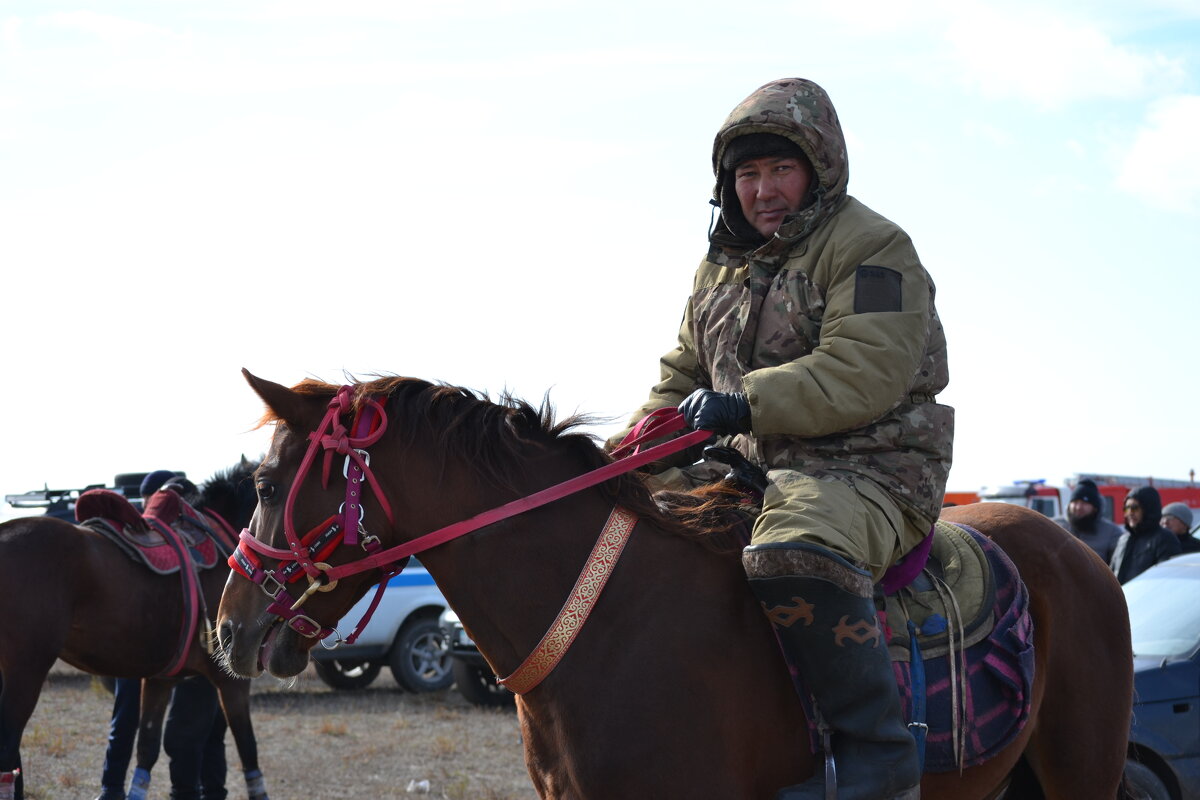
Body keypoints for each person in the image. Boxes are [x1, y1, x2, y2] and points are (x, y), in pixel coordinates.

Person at [610, 77, 951, 800]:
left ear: (819, 167)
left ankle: (878, 756)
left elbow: (865, 371)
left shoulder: (877, 247)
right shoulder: (718, 267)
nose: (762, 189)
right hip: (747, 465)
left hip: (868, 470)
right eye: (746, 174)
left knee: (792, 544)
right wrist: (621, 459)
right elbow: (682, 378)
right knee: (618, 518)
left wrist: (741, 405)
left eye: (780, 170)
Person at [95, 471, 228, 800]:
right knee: (196, 729)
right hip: (176, 642)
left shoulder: (192, 544)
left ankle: (123, 788)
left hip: (177, 642)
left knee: (187, 729)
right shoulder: (173, 546)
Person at [1110, 486, 1182, 584]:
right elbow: (1111, 574)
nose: (1130, 513)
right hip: (1121, 598)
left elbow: (1168, 579)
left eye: (1135, 508)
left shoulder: (1165, 539)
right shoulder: (1123, 539)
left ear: (1148, 508)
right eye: (1126, 508)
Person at [1052, 479, 1122, 562]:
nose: (1078, 507)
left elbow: (1116, 567)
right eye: (1075, 502)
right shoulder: (1054, 525)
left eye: (1084, 503)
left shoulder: (1111, 533)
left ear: (1095, 508)